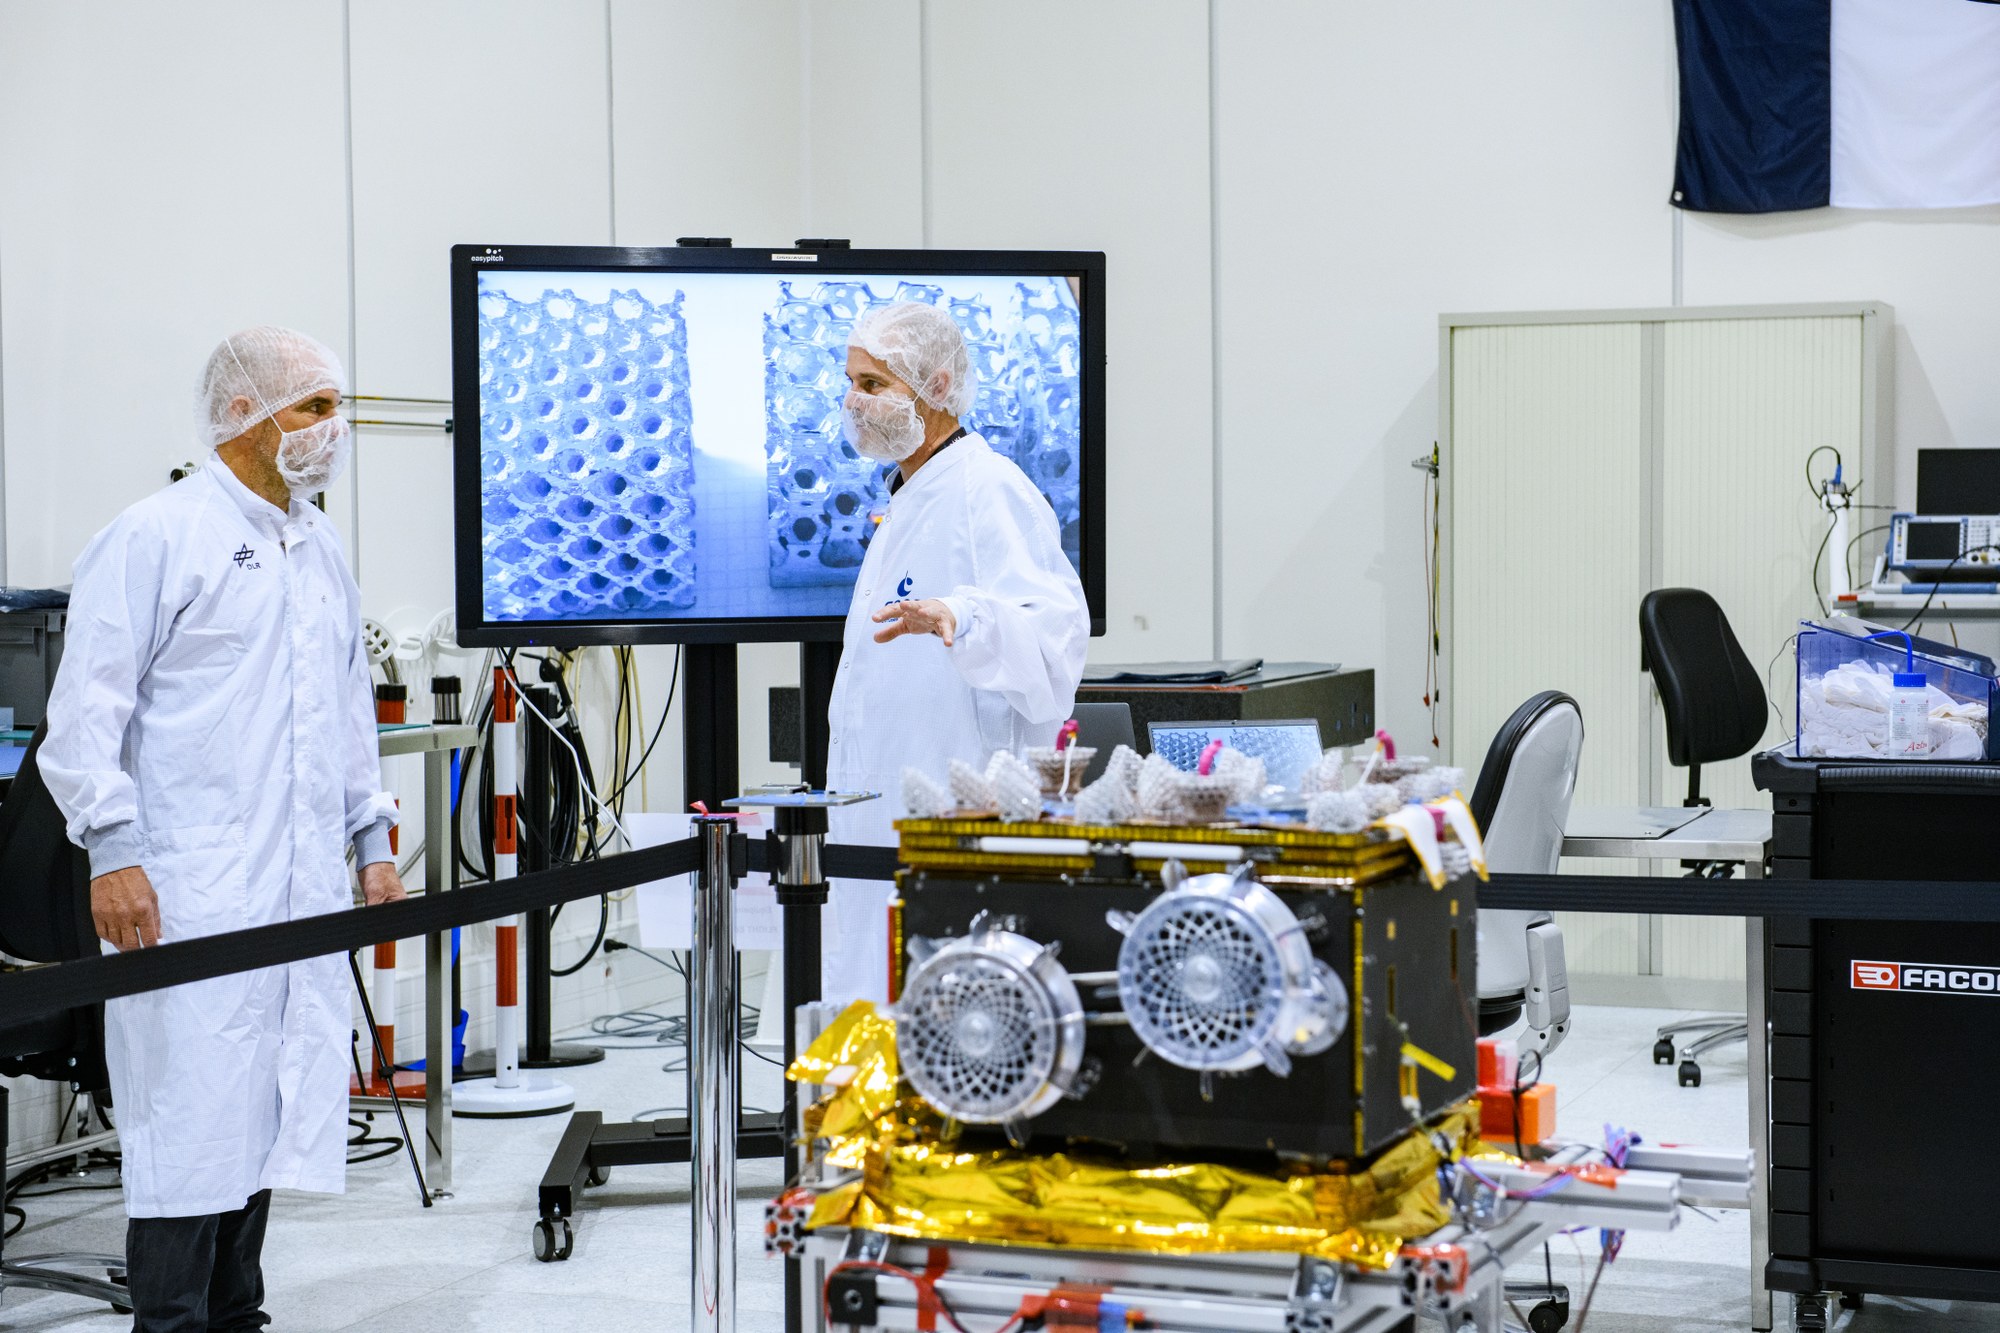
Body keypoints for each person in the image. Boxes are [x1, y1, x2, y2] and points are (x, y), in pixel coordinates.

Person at [39, 326, 404, 1333]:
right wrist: (113, 851)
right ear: (243, 413)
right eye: (315, 407)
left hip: (295, 884)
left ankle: (238, 1314)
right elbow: (85, 716)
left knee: (266, 1103)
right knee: (190, 1118)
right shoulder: (156, 536)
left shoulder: (317, 543)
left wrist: (371, 842)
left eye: (336, 408)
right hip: (187, 885)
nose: (333, 429)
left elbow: (345, 711)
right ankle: (171, 1321)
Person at [823, 302, 1090, 1004]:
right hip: (885, 813)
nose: (853, 402)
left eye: (873, 384)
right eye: (849, 383)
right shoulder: (910, 497)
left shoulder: (987, 489)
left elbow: (1057, 639)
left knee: (951, 1009)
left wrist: (966, 616)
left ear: (937, 386)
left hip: (956, 812)